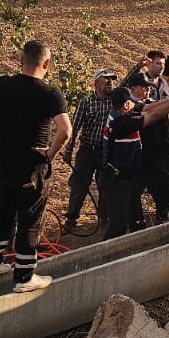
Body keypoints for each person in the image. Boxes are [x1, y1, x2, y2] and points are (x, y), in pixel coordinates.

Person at [0, 40, 70, 293]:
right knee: (30, 219)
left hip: (5, 162)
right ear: (47, 64)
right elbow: (65, 131)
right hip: (32, 167)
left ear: (21, 60)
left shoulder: (2, 85)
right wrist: (49, 154)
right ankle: (24, 276)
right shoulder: (50, 94)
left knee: (3, 211)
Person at [100, 85, 169, 238]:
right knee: (118, 227)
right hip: (117, 183)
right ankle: (107, 251)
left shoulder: (119, 114)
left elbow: (148, 108)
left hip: (127, 179)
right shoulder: (121, 123)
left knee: (136, 222)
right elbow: (151, 116)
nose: (136, 105)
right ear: (126, 105)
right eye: (133, 102)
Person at [61, 69, 118, 233]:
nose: (110, 82)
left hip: (106, 150)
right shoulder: (86, 102)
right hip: (87, 150)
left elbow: (127, 81)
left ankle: (104, 218)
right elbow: (74, 127)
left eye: (111, 79)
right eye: (105, 79)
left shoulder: (114, 101)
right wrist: (68, 151)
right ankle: (71, 219)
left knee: (105, 184)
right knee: (79, 185)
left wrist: (139, 65)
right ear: (96, 83)